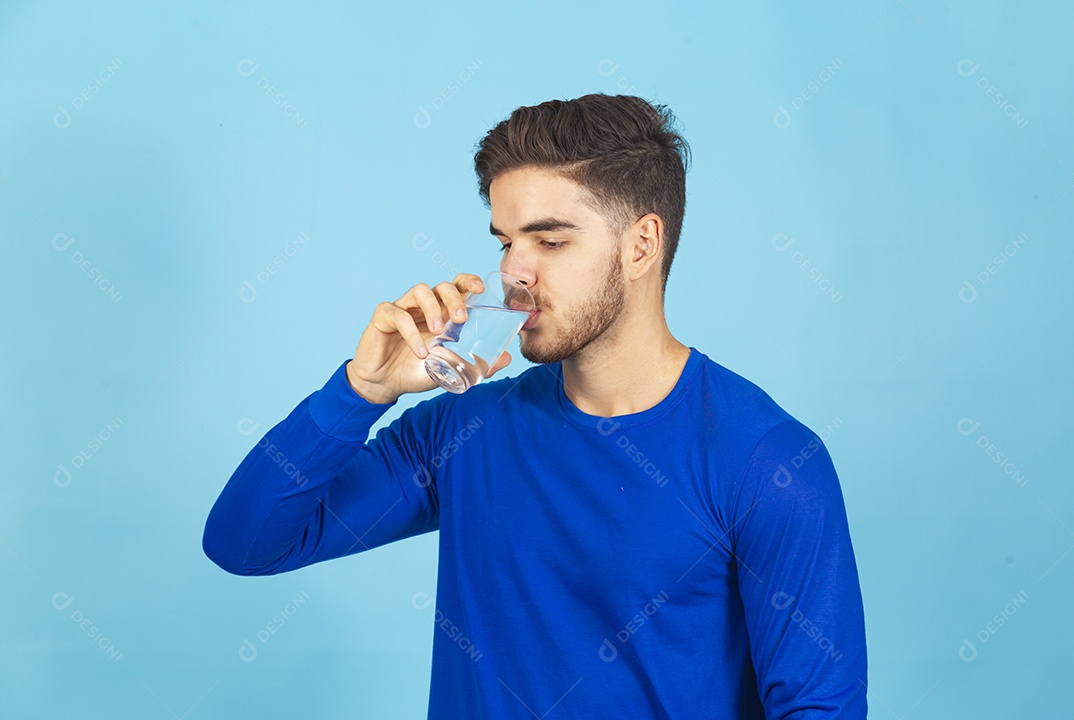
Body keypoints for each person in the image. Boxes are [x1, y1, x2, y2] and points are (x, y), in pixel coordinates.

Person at [203, 93, 868, 719]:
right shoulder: (462, 430)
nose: (515, 271)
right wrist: (360, 391)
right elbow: (246, 541)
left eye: (550, 241)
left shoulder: (768, 463)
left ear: (641, 245)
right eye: (505, 241)